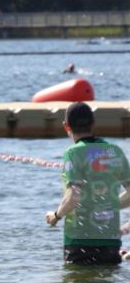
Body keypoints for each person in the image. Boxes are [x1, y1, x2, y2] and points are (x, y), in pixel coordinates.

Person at [45, 101, 130, 264]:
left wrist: (55, 217)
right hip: (110, 241)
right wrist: (109, 204)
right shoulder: (115, 151)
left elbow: (73, 197)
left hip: (79, 240)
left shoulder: (73, 153)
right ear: (93, 124)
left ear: (66, 126)